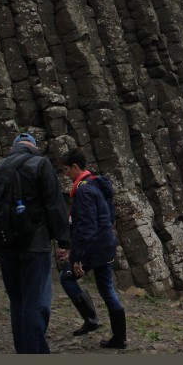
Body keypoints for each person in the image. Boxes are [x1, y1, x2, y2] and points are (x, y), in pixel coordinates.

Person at [0, 133, 71, 354]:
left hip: (6, 246)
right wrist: (64, 240)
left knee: (17, 302)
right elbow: (54, 204)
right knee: (36, 302)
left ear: (14, 147)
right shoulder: (40, 164)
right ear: (34, 148)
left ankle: (24, 351)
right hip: (35, 244)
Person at [60, 149, 127, 349]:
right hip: (106, 244)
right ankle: (119, 338)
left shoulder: (84, 190)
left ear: (75, 167)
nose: (66, 175)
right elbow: (109, 216)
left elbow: (86, 227)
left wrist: (79, 258)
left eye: (66, 170)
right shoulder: (97, 184)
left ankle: (91, 319)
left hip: (94, 247)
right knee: (107, 290)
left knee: (67, 277)